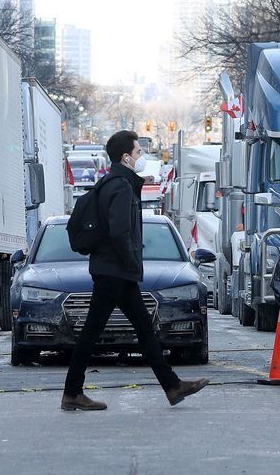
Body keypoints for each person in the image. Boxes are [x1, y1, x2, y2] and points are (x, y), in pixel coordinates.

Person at [61, 130, 209, 411]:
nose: (142, 157)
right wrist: (130, 262)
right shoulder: (120, 186)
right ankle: (72, 393)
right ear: (126, 157)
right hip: (114, 271)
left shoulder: (116, 182)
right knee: (96, 331)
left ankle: (172, 387)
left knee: (143, 329)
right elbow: (119, 232)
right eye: (139, 152)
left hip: (114, 270)